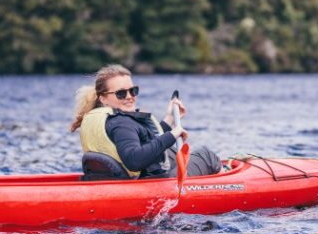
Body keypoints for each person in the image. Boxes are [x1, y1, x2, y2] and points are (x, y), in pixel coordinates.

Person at [70, 64, 221, 179]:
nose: (129, 96)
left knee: (182, 155)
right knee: (206, 155)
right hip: (156, 183)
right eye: (121, 93)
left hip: (130, 180)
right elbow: (134, 160)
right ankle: (226, 182)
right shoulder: (121, 123)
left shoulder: (113, 120)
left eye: (133, 90)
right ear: (103, 99)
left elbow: (144, 142)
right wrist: (173, 135)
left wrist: (169, 120)